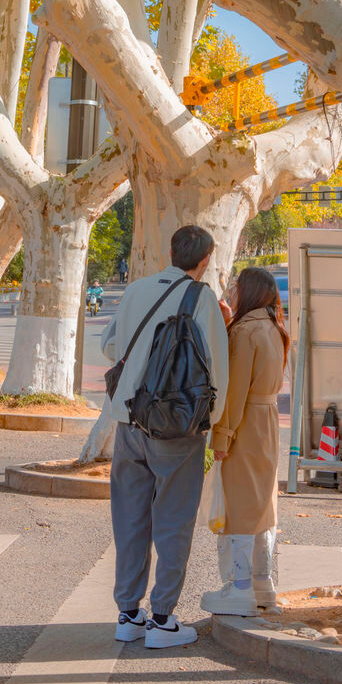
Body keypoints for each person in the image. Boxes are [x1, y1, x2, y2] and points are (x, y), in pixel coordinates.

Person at [102, 225, 229, 648]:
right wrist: (212, 423)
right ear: (206, 259)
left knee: (130, 518)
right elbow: (217, 371)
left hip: (128, 422)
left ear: (171, 250)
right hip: (176, 427)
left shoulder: (136, 289)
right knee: (173, 520)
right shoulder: (202, 298)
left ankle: (128, 614)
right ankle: (162, 619)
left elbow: (108, 346)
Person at [201, 267, 289, 616]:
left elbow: (234, 391)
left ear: (248, 291)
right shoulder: (273, 328)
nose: (232, 291)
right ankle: (262, 583)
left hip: (245, 421)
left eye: (236, 285)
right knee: (262, 502)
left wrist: (222, 435)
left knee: (238, 503)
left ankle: (239, 589)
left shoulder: (244, 330)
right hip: (267, 420)